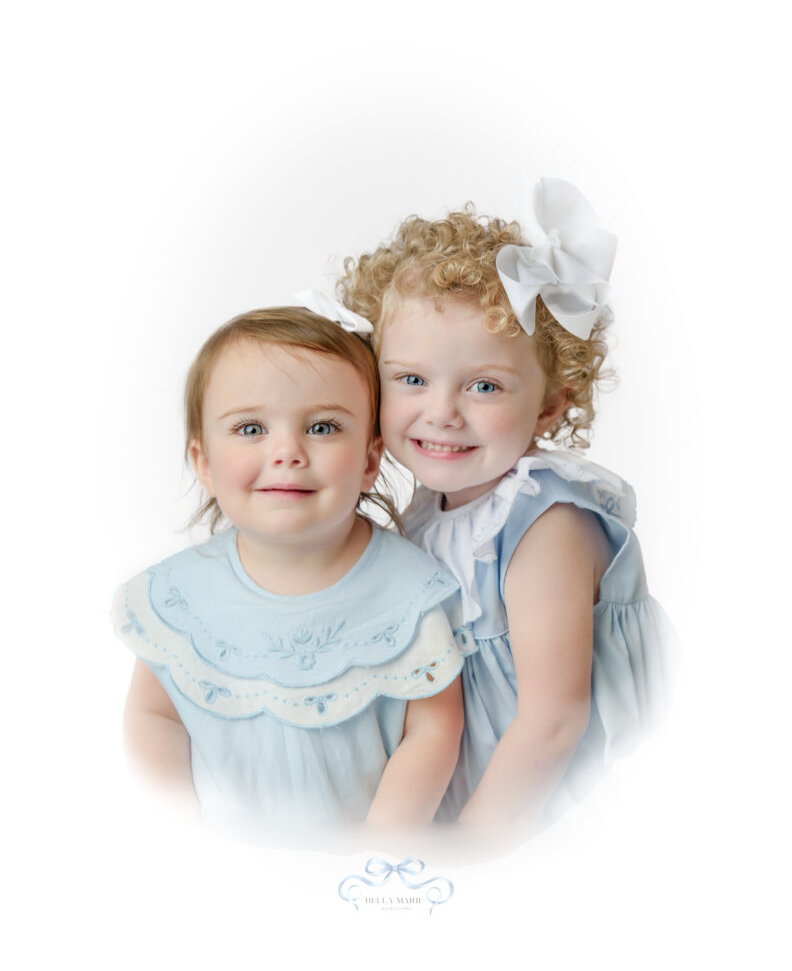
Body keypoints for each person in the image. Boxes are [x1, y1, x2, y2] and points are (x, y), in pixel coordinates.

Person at [340, 178, 675, 831]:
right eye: (411, 379)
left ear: (550, 405)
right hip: (479, 785)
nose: (442, 413)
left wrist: (472, 851)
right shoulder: (426, 514)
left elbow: (554, 720)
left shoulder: (543, 521)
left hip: (556, 805)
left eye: (485, 386)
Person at [112, 305, 464, 839]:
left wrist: (378, 851)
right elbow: (153, 717)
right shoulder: (182, 595)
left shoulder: (409, 590)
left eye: (322, 427)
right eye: (251, 427)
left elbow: (434, 730)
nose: (287, 452)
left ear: (370, 461)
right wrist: (176, 830)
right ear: (204, 462)